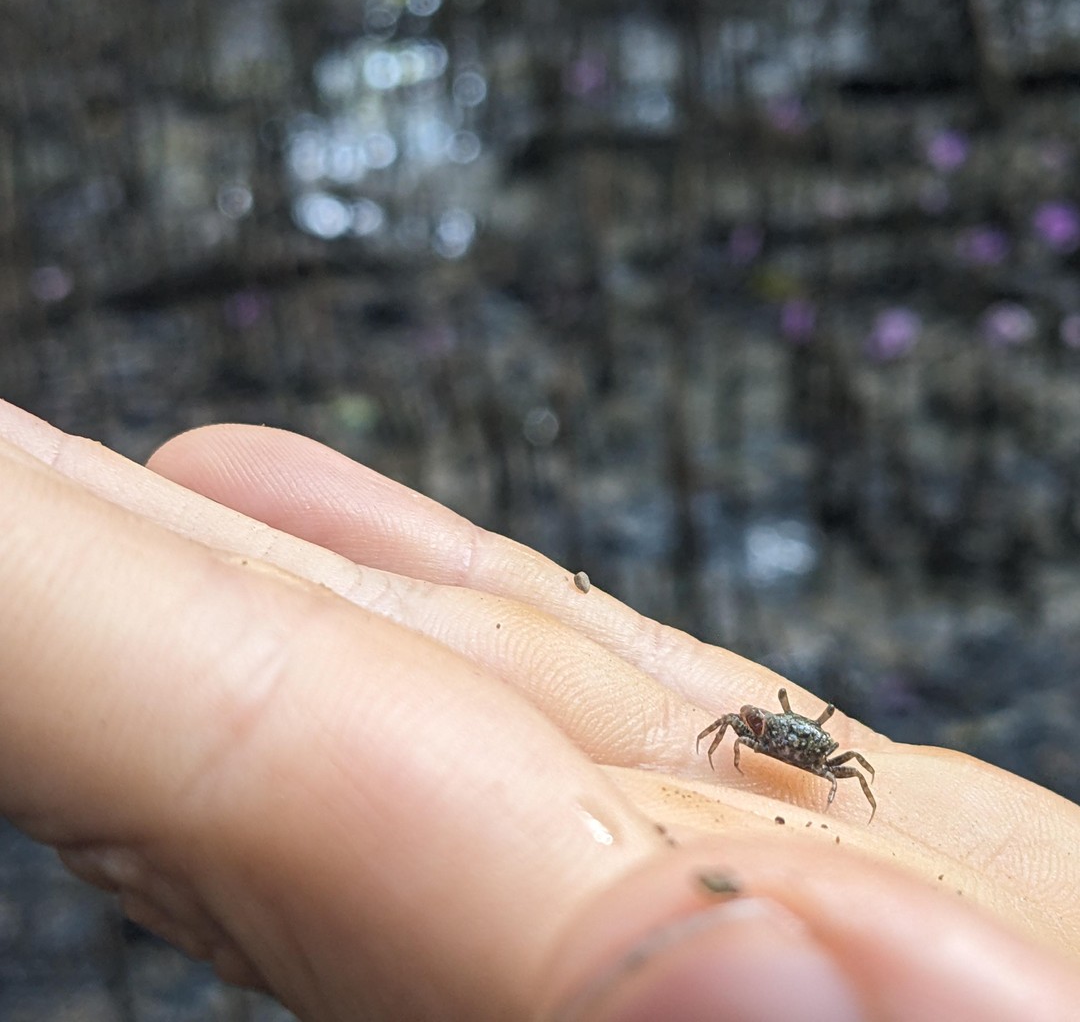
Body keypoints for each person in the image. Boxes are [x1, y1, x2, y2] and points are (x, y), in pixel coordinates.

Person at [0, 398, 1076, 1022]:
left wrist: (835, 793)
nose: (783, 734)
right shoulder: (756, 725)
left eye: (798, 735)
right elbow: (735, 723)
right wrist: (741, 748)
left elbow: (840, 762)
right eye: (780, 729)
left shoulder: (826, 759)